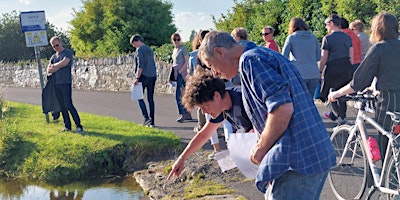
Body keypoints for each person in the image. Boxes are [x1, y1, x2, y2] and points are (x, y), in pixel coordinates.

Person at [197, 31, 335, 199]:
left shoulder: (250, 61)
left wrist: (261, 147)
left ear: (220, 52)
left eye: (211, 65)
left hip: (297, 161)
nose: (215, 73)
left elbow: (282, 108)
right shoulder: (263, 55)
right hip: (310, 155)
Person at [328, 12, 400, 161]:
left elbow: (359, 82)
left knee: (387, 143)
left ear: (377, 29)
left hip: (388, 100)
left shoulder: (379, 48)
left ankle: (388, 181)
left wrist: (337, 94)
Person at [167, 71, 253, 180]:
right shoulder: (222, 109)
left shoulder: (245, 100)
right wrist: (182, 158)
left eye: (205, 106)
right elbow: (204, 135)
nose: (203, 112)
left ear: (216, 96)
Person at [319, 14, 354, 125]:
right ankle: (342, 117)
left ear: (331, 23)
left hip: (333, 67)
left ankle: (337, 115)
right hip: (346, 66)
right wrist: (350, 68)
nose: (326, 27)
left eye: (326, 24)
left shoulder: (327, 38)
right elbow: (351, 55)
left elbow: (324, 57)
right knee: (341, 93)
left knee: (331, 92)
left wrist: (320, 70)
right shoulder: (347, 37)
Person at [47, 36, 83, 133]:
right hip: (56, 84)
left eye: (57, 45)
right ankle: (67, 126)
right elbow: (48, 70)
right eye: (53, 46)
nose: (56, 47)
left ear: (61, 42)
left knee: (68, 105)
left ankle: (79, 126)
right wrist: (58, 66)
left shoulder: (67, 52)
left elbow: (65, 62)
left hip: (65, 83)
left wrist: (54, 66)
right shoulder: (53, 57)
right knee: (62, 106)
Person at [282, 17, 321, 98]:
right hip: (313, 74)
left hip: (299, 74)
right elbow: (318, 57)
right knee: (310, 101)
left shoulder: (291, 38)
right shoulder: (313, 38)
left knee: (299, 101)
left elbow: (284, 57)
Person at [130, 34, 157, 127]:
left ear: (137, 41)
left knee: (139, 97)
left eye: (134, 44)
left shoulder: (139, 50)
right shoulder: (149, 49)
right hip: (152, 76)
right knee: (150, 99)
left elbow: (140, 65)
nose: (134, 46)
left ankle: (146, 118)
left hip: (143, 76)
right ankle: (152, 121)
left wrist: (137, 78)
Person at [188, 30, 209, 132]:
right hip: (211, 79)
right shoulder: (214, 50)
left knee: (202, 105)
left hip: (201, 80)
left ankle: (202, 126)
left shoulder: (195, 54)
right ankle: (212, 130)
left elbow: (193, 70)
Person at [171, 33, 192, 123]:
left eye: (178, 39)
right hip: (176, 73)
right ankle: (187, 113)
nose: (176, 41)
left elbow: (187, 61)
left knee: (179, 95)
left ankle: (184, 113)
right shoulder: (175, 50)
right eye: (175, 39)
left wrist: (180, 71)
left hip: (182, 73)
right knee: (181, 94)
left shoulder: (183, 48)